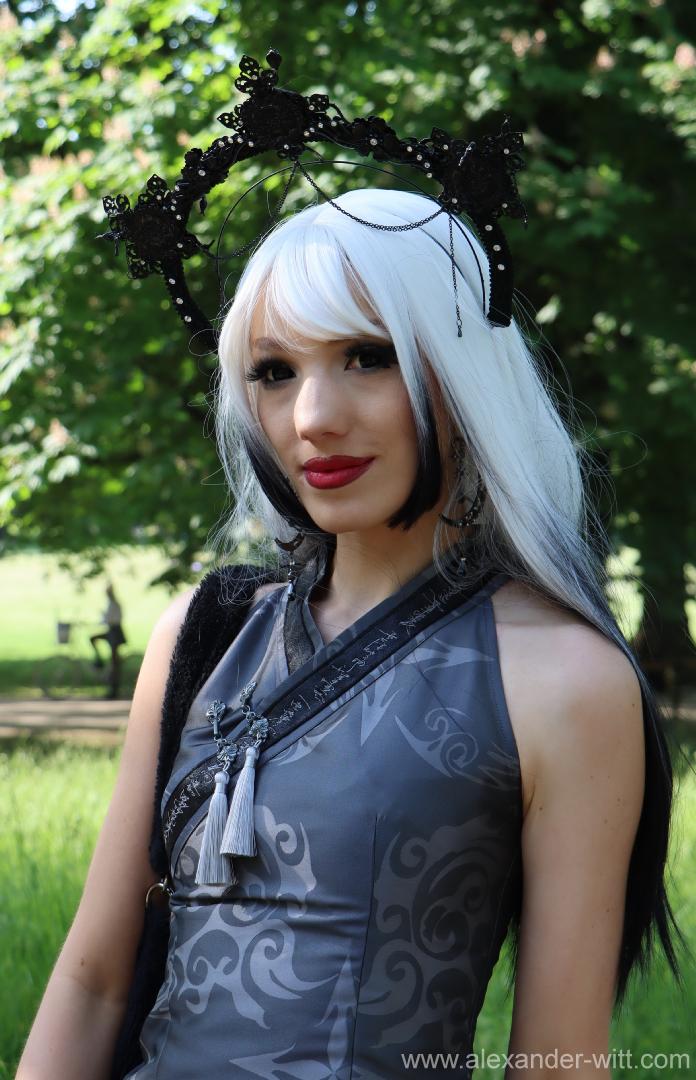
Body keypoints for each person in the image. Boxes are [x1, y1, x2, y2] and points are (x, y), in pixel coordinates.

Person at [18, 187, 686, 1079]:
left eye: (368, 357)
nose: (312, 418)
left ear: (461, 371)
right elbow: (93, 983)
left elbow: (558, 1063)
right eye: (274, 372)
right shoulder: (203, 636)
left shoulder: (565, 680)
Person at [89, 582, 127, 699]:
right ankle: (98, 659)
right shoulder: (112, 603)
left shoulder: (114, 604)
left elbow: (111, 619)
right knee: (93, 639)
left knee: (114, 663)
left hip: (115, 633)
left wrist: (103, 618)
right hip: (111, 632)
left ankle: (114, 690)